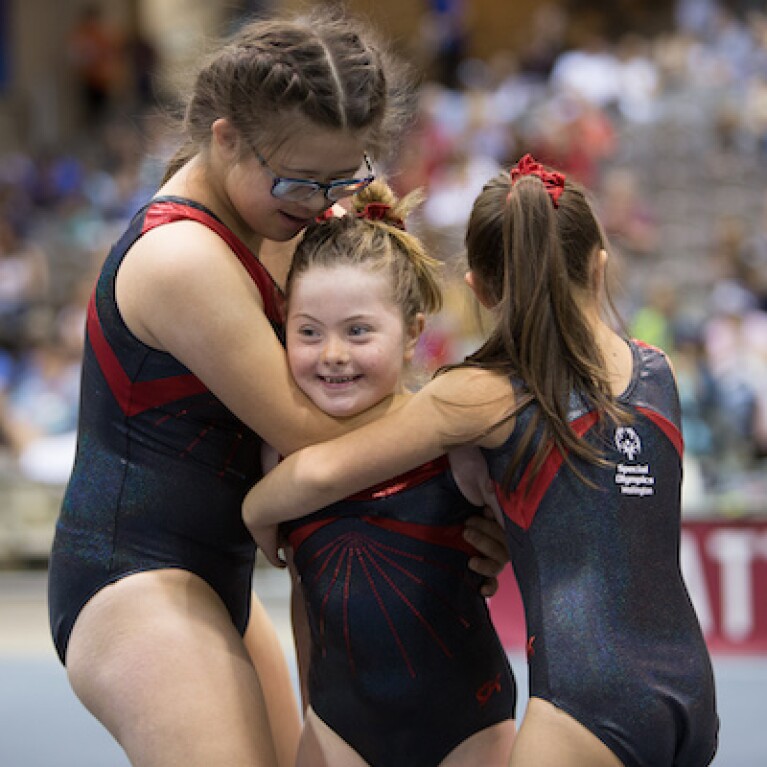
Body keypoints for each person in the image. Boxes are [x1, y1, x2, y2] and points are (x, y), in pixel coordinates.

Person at [47, 9, 507, 767]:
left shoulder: (273, 220)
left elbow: (365, 415)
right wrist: (465, 438)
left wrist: (454, 508)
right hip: (132, 575)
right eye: (298, 180)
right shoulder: (182, 257)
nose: (320, 202)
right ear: (224, 138)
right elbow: (321, 436)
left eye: (344, 177)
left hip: (213, 569)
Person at [243, 154, 720, 767]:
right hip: (690, 688)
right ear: (599, 268)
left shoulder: (479, 394)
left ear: (480, 289)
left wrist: (257, 511)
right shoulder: (661, 370)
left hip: (582, 705)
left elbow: (317, 473)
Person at [252, 179, 516, 767]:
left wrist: (501, 545)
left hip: (469, 725)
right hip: (338, 728)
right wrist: (310, 711)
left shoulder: (454, 444)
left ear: (413, 334)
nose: (333, 354)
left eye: (358, 330)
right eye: (309, 331)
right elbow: (303, 592)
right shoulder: (282, 457)